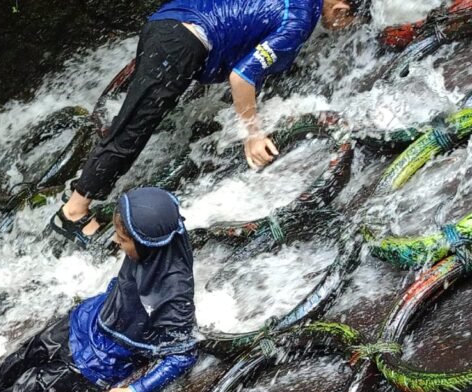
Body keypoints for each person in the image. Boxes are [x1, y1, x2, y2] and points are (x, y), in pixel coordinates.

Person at [51, 0, 355, 245]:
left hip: (175, 22)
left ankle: (81, 191)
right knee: (133, 129)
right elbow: (242, 76)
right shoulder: (298, 21)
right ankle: (72, 212)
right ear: (341, 9)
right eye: (349, 22)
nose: (344, 29)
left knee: (135, 122)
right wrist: (253, 133)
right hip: (182, 41)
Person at [0, 188, 197, 392]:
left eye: (123, 240)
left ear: (148, 245)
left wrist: (133, 391)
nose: (116, 241)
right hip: (87, 320)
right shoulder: (156, 245)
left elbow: (184, 355)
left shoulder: (173, 292)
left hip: (99, 362)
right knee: (14, 363)